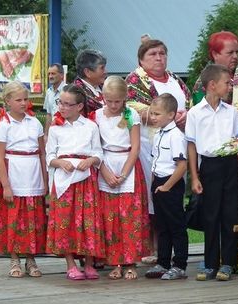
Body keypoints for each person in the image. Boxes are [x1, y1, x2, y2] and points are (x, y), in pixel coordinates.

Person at [126, 38, 192, 263]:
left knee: (173, 192)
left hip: (176, 141)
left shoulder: (174, 79)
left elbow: (187, 101)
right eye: (152, 54)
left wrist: (184, 116)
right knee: (153, 193)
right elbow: (132, 106)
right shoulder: (135, 79)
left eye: (162, 53)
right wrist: (161, 116)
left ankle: (172, 249)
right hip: (148, 145)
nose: (158, 58)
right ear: (141, 59)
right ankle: (153, 245)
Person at [186, 64, 238, 281]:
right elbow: (191, 145)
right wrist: (195, 176)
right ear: (212, 85)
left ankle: (228, 262)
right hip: (209, 166)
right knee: (210, 215)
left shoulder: (232, 112)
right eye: (227, 83)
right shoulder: (195, 113)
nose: (230, 87)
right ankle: (210, 263)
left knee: (230, 213)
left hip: (230, 164)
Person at [45, 84, 105, 280]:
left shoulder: (90, 126)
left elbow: (98, 153)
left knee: (88, 219)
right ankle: (70, 263)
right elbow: (49, 156)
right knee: (65, 220)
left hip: (85, 179)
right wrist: (60, 162)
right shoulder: (56, 128)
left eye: (67, 104)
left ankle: (88, 262)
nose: (62, 107)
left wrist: (90, 160)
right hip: (64, 180)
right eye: (60, 103)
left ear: (79, 107)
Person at [95, 76, 151, 280]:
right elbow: (95, 147)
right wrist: (105, 172)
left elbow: (135, 146)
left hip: (127, 165)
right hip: (106, 163)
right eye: (108, 101)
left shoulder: (130, 115)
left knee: (129, 215)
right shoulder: (97, 116)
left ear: (124, 98)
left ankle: (130, 261)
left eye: (117, 101)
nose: (112, 105)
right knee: (109, 217)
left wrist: (125, 172)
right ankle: (114, 261)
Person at [0, 81, 47, 278]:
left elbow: (42, 153)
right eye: (18, 100)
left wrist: (45, 181)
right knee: (14, 218)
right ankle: (14, 258)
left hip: (33, 174)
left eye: (26, 99)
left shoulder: (35, 122)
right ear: (7, 101)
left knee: (33, 218)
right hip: (14, 173)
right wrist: (6, 185)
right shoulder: (3, 124)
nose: (23, 103)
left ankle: (31, 258)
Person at [144, 93, 188, 280]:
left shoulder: (176, 136)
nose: (153, 117)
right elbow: (155, 162)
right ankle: (163, 262)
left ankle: (179, 265)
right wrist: (154, 185)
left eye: (157, 114)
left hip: (171, 183)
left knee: (175, 225)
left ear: (170, 115)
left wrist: (168, 187)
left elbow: (182, 165)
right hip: (159, 183)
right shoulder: (159, 134)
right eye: (152, 113)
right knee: (161, 225)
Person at [192, 31, 238, 105]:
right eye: (230, 53)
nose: (235, 56)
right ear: (215, 54)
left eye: (236, 52)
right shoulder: (204, 82)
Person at [73, 49, 107, 117]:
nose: (105, 71)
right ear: (87, 72)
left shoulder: (106, 87)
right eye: (102, 68)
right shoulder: (75, 93)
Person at [43, 63, 67, 140]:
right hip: (53, 131)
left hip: (66, 130)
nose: (50, 76)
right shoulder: (48, 92)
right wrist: (46, 135)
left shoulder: (68, 90)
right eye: (49, 74)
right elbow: (49, 115)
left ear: (61, 75)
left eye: (53, 74)